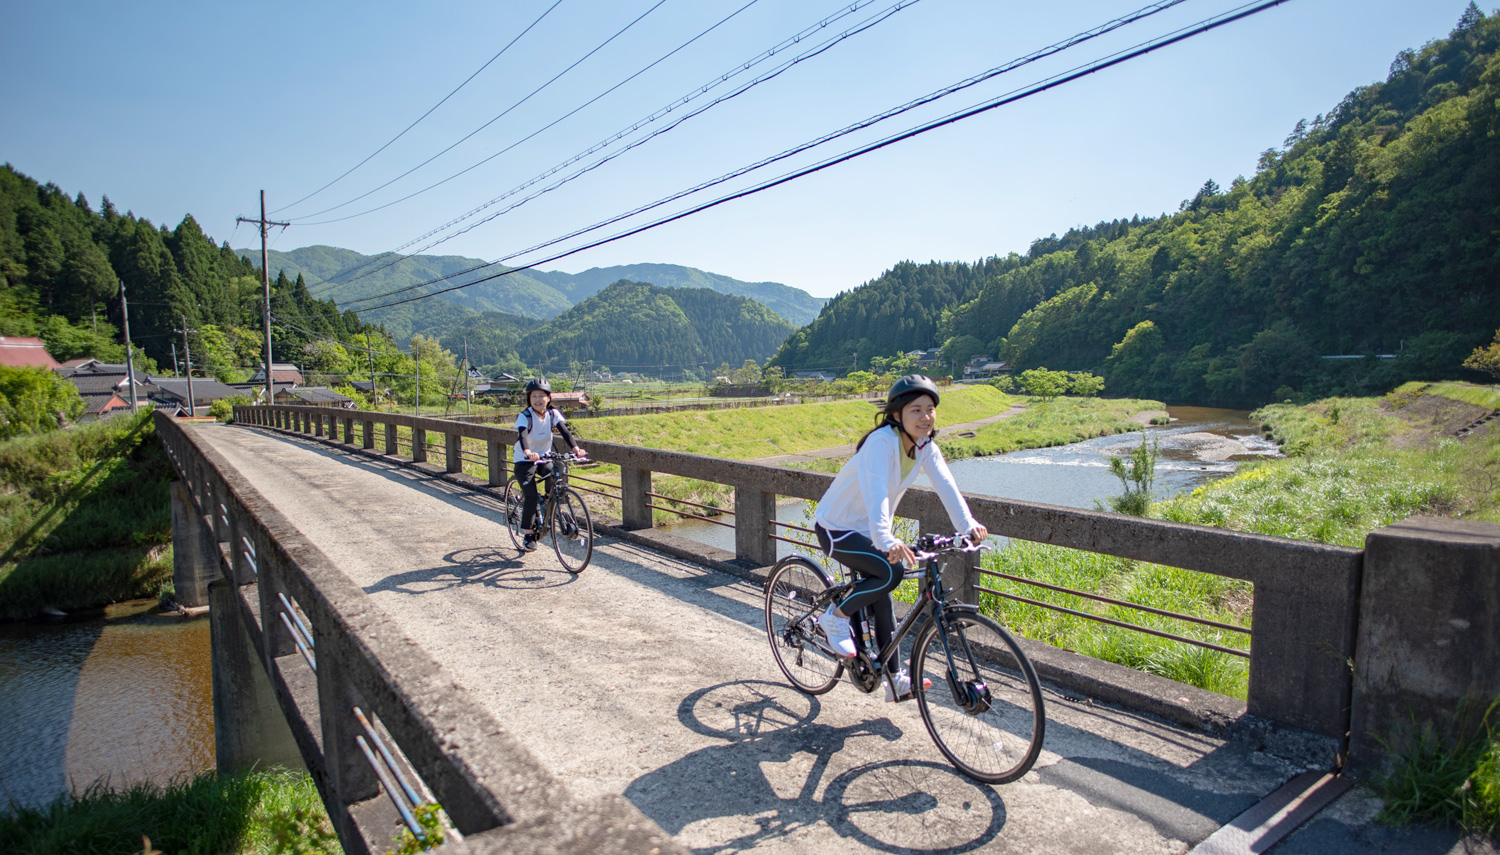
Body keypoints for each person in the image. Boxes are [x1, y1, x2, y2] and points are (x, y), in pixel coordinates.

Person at [812, 374, 988, 701]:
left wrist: (967, 526)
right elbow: (877, 491)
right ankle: (834, 618)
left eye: (930, 409)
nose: (925, 417)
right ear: (897, 415)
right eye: (916, 410)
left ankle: (894, 679)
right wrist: (885, 538)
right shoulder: (881, 443)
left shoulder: (924, 447)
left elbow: (946, 487)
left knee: (884, 597)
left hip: (870, 533)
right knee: (890, 573)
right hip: (837, 528)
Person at [513, 378, 587, 551]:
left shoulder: (553, 414)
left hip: (545, 457)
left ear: (548, 398)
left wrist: (576, 448)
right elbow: (522, 436)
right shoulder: (525, 416)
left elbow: (564, 431)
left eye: (541, 396)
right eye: (534, 397)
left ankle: (546, 503)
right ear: (529, 399)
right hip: (525, 460)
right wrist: (527, 452)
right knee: (531, 495)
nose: (538, 400)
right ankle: (529, 534)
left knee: (554, 475)